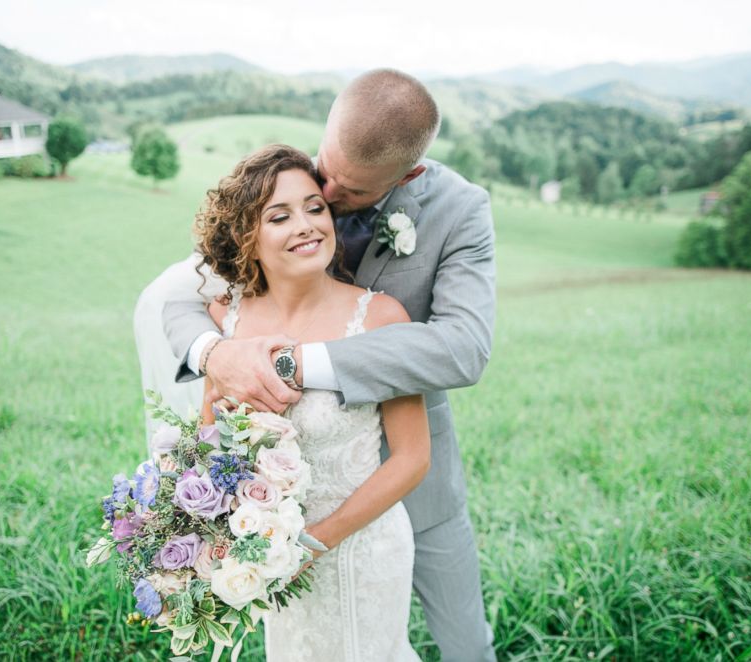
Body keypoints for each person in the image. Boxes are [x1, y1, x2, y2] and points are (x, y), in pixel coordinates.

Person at [155, 69, 497, 661]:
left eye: (347, 193)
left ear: (407, 176)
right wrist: (219, 353)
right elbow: (189, 291)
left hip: (416, 475)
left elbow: (464, 348)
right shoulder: (293, 188)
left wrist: (294, 364)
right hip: (287, 505)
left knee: (465, 643)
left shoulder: (461, 211)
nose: (327, 198)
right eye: (324, 172)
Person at [198, 144, 430, 659]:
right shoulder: (228, 321)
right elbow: (209, 442)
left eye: (314, 208)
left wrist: (314, 542)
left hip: (364, 549)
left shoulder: (381, 319)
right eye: (280, 216)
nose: (305, 225)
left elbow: (413, 458)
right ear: (247, 237)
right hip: (268, 552)